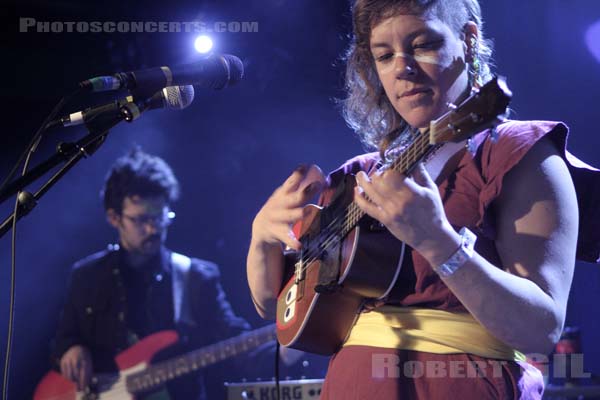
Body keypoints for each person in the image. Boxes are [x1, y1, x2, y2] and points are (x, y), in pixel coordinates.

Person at [246, 0, 599, 399]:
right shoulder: (357, 175)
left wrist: (437, 241)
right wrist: (262, 239)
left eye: (423, 45)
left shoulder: (519, 154)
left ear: (468, 40)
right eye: (383, 55)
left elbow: (541, 329)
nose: (401, 67)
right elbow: (276, 308)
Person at [51, 148, 250, 399]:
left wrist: (284, 346)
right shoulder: (86, 276)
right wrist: (71, 348)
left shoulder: (196, 277)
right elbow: (63, 338)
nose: (152, 229)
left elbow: (236, 341)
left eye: (160, 217)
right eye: (141, 219)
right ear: (114, 217)